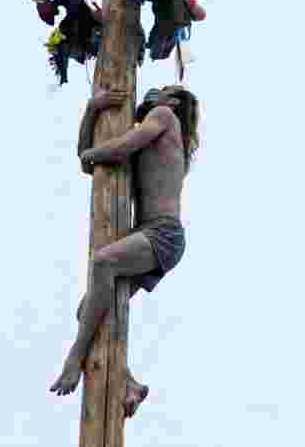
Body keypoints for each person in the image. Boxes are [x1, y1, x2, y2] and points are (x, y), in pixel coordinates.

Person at [50, 84, 200, 419]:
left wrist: (94, 152)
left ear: (172, 103)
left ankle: (74, 357)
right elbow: (89, 159)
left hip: (162, 234)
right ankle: (129, 383)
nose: (151, 94)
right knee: (87, 309)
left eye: (160, 91)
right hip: (146, 235)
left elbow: (115, 149)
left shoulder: (164, 117)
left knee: (103, 263)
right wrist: (92, 109)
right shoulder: (146, 135)